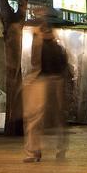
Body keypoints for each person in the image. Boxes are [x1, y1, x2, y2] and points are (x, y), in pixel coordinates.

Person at [22, 22, 69, 163]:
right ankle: (60, 149)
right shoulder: (58, 47)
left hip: (41, 82)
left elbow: (34, 64)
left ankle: (34, 152)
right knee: (58, 118)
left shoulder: (40, 44)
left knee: (34, 119)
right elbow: (64, 66)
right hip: (56, 81)